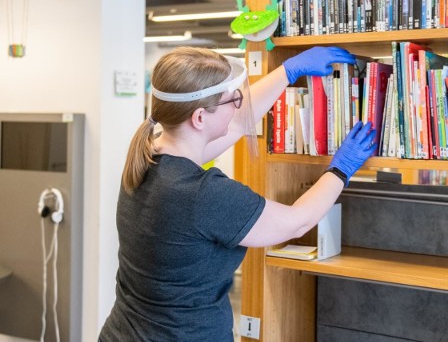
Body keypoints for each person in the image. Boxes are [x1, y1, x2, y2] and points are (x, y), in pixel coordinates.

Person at [99, 46, 376, 341]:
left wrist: (287, 71)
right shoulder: (203, 194)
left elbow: (239, 123)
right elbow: (298, 222)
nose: (237, 106)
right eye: (231, 100)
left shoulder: (148, 156)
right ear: (200, 118)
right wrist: (341, 169)